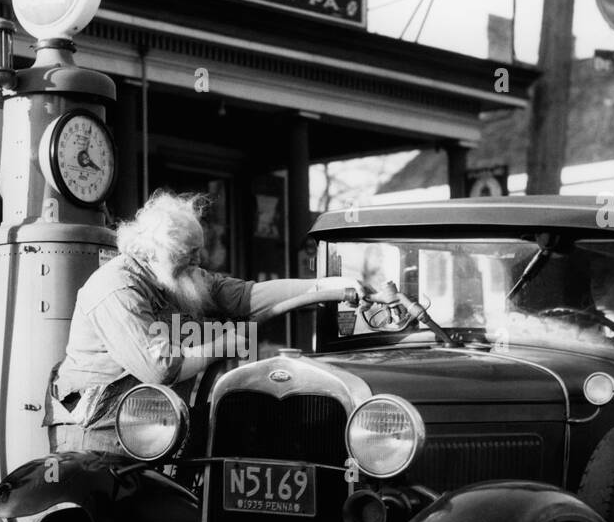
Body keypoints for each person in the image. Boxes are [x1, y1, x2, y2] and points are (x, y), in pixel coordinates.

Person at [46, 189, 372, 453]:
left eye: (199, 251)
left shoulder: (176, 277)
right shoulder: (117, 288)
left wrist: (329, 287)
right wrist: (223, 344)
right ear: (149, 251)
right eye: (186, 253)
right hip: (96, 432)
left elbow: (247, 296)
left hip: (146, 426)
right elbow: (159, 369)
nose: (198, 261)